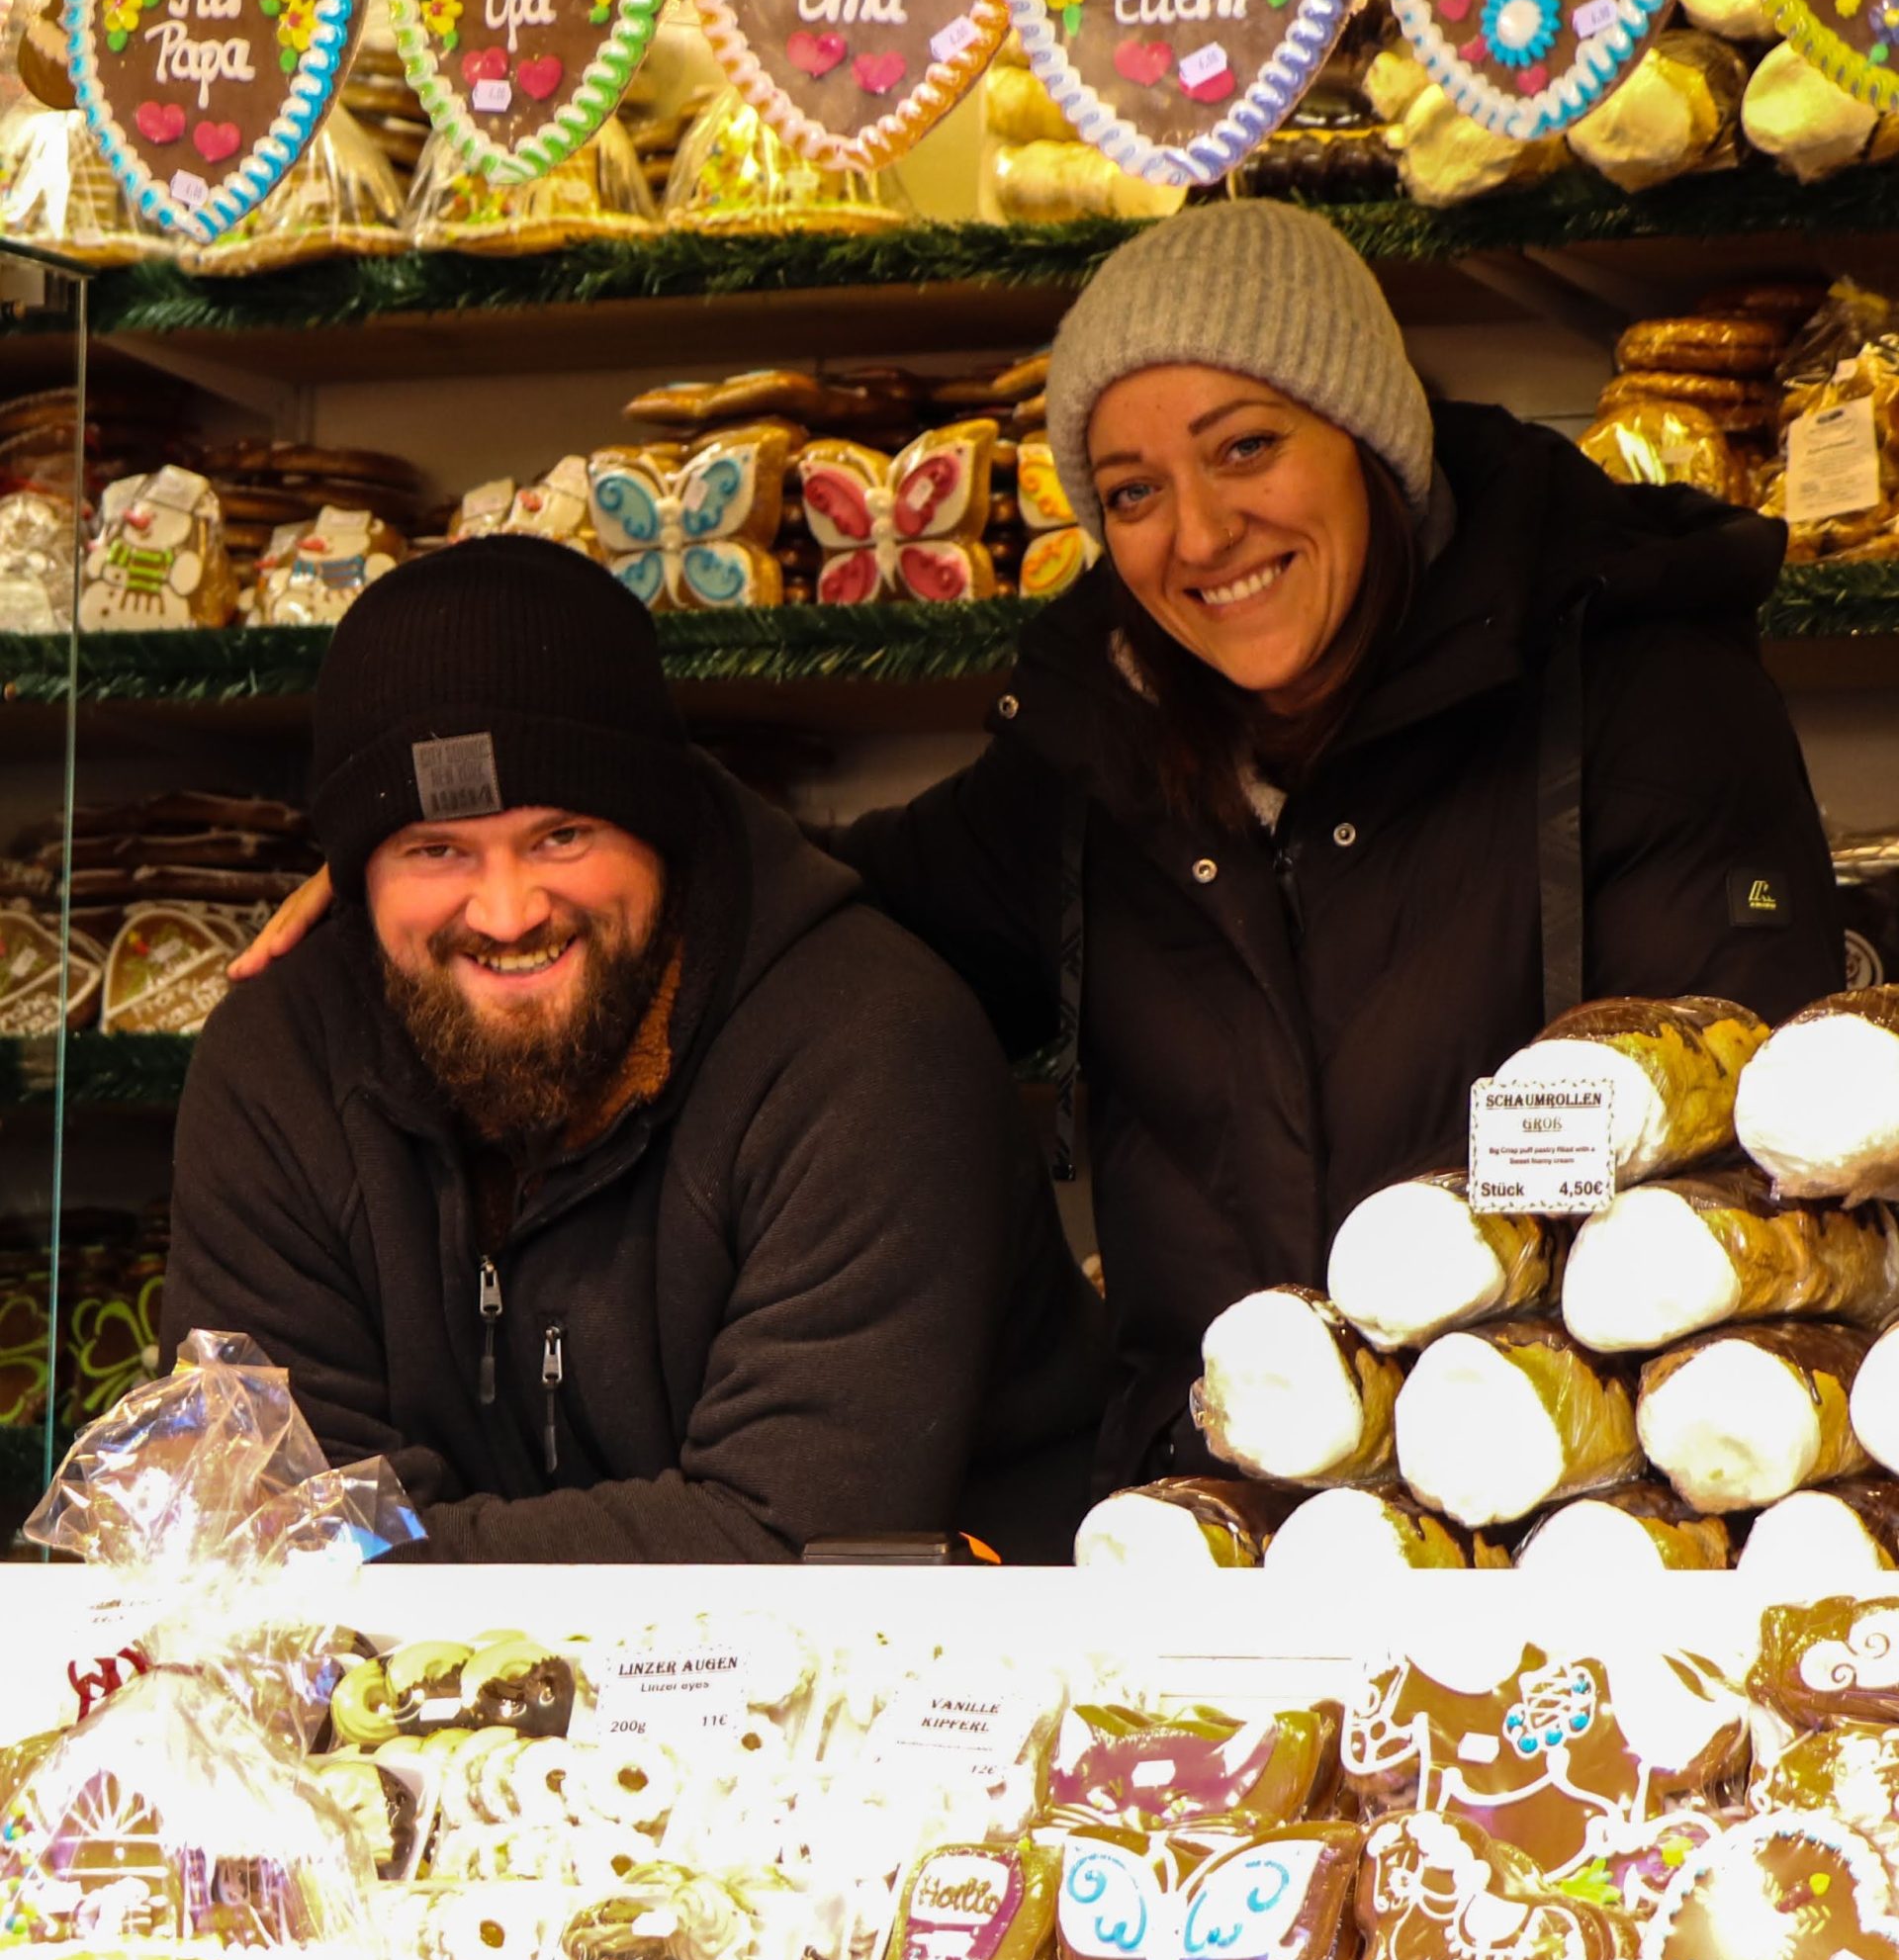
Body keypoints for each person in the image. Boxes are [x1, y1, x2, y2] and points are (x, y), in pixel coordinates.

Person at [232, 203, 1844, 1500]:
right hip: (1206, 1508)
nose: (1197, 537)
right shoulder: (1095, 764)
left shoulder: (1634, 696)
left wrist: (490, 845)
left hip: (1571, 1502)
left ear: (1369, 434)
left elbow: (1747, 1153)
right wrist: (477, 851)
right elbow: (826, 907)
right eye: (1130, 489)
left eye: (1246, 450)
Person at [162, 535, 1104, 1561]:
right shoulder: (279, 1059)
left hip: (933, 1694)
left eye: (561, 835)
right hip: (412, 1711)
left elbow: (795, 1548)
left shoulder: (870, 1045)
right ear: (356, 877)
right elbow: (264, 1515)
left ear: (661, 829)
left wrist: (391, 1559)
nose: (509, 910)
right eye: (436, 850)